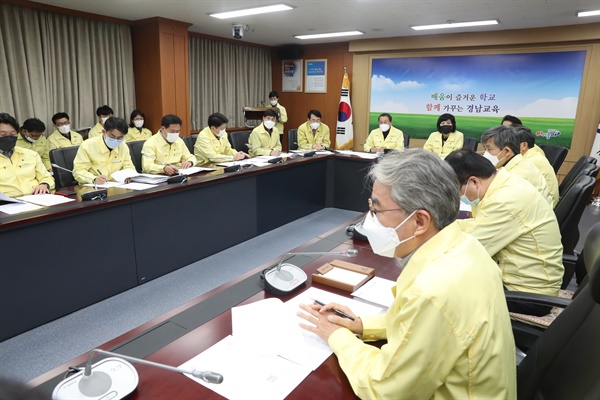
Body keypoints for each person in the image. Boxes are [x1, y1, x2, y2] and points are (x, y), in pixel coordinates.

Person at [297, 149, 516, 399]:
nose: (370, 220)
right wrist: (361, 325)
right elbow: (418, 327)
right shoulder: (465, 246)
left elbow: (384, 389)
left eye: (377, 211)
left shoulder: (434, 290)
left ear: (420, 221)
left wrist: (336, 336)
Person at [445, 148, 564, 316]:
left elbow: (470, 248)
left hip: (526, 295)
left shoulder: (504, 200)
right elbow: (477, 226)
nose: (458, 196)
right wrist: (445, 226)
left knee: (443, 291)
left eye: (457, 190)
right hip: (523, 281)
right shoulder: (505, 183)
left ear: (473, 182)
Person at [480, 125, 553, 206]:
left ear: (507, 151)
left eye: (489, 149)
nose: (485, 154)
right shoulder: (518, 164)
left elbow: (497, 203)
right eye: (485, 149)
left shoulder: (518, 174)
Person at [0, 113, 54, 196]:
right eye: (3, 134)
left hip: (36, 198)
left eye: (12, 134)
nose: (8, 137)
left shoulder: (31, 154)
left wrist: (44, 184)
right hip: (6, 203)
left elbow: (47, 177)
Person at [73, 116, 135, 185]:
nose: (116, 140)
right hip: (93, 187)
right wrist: (93, 179)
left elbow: (129, 166)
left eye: (120, 138)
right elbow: (78, 171)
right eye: (112, 136)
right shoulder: (87, 145)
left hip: (117, 186)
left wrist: (128, 176)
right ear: (103, 132)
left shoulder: (123, 146)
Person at [516, 126, 559, 207]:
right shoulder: (533, 154)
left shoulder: (529, 162)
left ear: (524, 145)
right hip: (543, 203)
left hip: (545, 207)